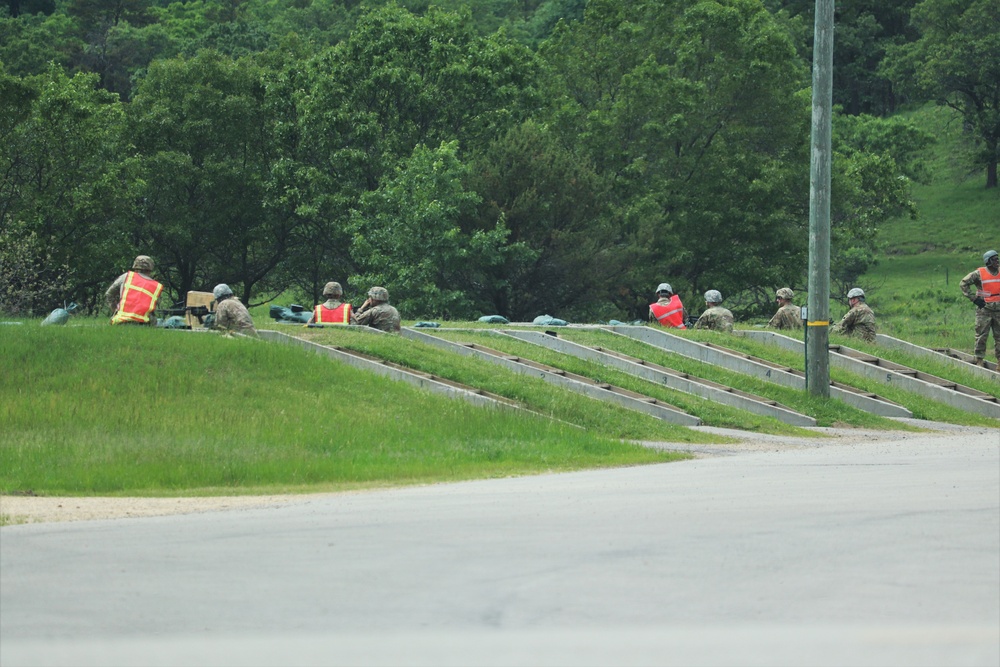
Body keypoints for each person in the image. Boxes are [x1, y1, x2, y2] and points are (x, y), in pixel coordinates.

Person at [959, 249, 1000, 366]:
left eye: (997, 258)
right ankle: (979, 361)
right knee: (981, 335)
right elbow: (963, 283)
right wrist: (974, 299)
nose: (997, 261)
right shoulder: (979, 273)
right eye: (994, 259)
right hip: (984, 309)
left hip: (999, 310)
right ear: (988, 261)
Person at [105, 255, 164, 326]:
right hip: (144, 324)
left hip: (120, 321)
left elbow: (109, 294)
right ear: (150, 269)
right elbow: (154, 307)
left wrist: (115, 310)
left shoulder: (126, 276)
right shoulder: (156, 286)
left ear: (135, 267)